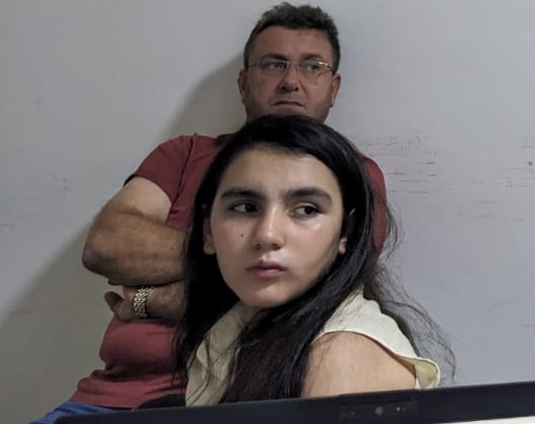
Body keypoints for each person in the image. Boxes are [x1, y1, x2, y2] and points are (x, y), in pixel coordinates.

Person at [0, 3, 388, 424]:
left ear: (333, 87)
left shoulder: (350, 176)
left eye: (312, 66)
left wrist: (147, 300)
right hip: (102, 409)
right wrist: (235, 267)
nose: (290, 80)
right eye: (273, 63)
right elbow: (107, 245)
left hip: (239, 412)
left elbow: (317, 300)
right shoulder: (184, 155)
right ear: (243, 83)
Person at [177, 113, 438, 404]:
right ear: (207, 231)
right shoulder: (236, 324)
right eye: (245, 208)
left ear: (346, 232)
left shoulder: (342, 354)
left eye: (306, 210)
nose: (267, 235)